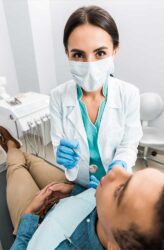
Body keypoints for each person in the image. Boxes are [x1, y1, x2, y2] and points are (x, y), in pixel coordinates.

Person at [2, 131, 163, 250]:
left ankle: (10, 146)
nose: (115, 171)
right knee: (29, 158)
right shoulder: (111, 213)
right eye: (131, 175)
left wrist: (28, 216)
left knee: (16, 165)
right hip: (67, 195)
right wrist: (74, 190)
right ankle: (17, 150)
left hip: (36, 222)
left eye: (120, 191)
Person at [50, 5, 143, 187]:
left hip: (117, 182)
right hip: (80, 181)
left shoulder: (129, 94)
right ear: (67, 53)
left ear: (115, 50)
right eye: (78, 54)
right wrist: (61, 156)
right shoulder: (57, 96)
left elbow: (129, 144)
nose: (90, 65)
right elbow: (58, 143)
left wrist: (119, 164)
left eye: (100, 53)